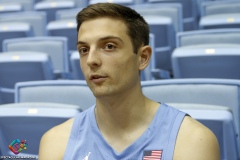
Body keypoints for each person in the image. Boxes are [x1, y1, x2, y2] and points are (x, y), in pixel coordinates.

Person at [38, 3, 220, 160]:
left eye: (109, 46)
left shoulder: (192, 140)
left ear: (143, 57)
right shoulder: (55, 142)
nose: (91, 60)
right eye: (84, 49)